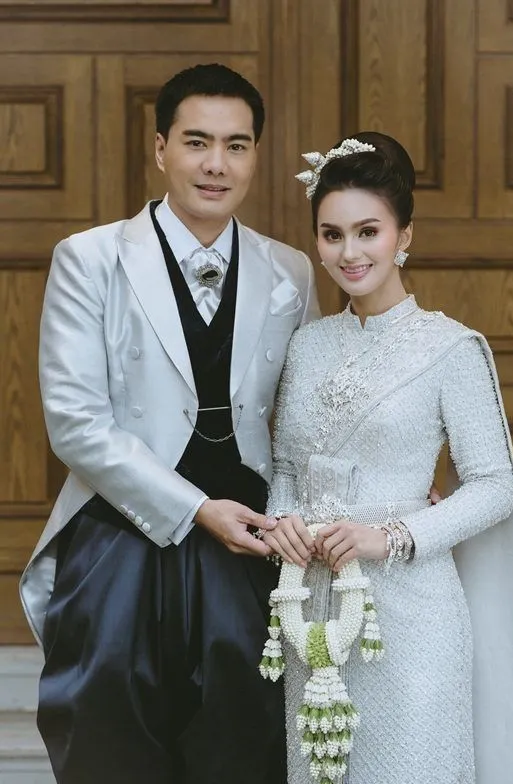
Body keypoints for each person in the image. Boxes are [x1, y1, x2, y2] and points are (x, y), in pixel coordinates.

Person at [19, 63, 320, 784]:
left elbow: (310, 417)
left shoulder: (292, 271)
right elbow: (76, 423)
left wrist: (392, 486)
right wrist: (195, 509)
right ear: (161, 150)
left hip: (249, 543)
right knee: (109, 734)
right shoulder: (90, 259)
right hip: (120, 534)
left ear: (255, 155)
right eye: (197, 142)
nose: (217, 164)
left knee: (247, 736)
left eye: (236, 145)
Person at [263, 131, 513, 784]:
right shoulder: (307, 346)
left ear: (403, 236)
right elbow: (287, 470)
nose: (349, 253)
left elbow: (495, 486)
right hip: (312, 610)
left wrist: (389, 537)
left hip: (412, 613)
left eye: (368, 232)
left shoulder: (451, 348)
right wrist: (283, 524)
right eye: (332, 235)